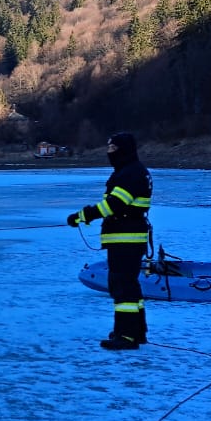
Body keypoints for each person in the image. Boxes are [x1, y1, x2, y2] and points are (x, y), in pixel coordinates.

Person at [68, 133, 153, 350]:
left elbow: (113, 205)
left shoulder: (131, 173)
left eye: (113, 148)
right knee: (130, 287)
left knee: (122, 287)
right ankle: (136, 331)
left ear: (124, 149)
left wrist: (83, 215)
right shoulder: (130, 171)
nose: (109, 153)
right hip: (127, 239)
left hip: (127, 239)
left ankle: (126, 336)